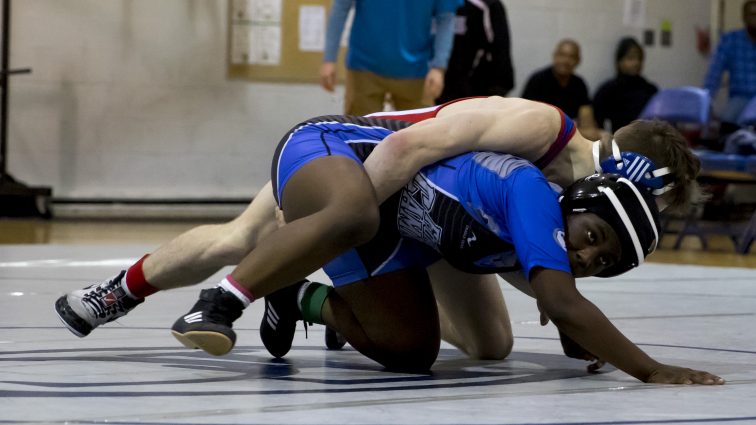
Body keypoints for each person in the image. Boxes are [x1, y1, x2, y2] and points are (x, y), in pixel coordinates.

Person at [55, 97, 702, 363]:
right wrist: (327, 227)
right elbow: (407, 149)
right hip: (361, 154)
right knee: (241, 238)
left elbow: (514, 247)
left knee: (489, 344)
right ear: (639, 177)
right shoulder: (540, 129)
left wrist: (560, 302)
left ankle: (311, 297)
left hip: (428, 212)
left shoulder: (567, 193)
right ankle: (123, 289)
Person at [319, 0, 461, 115]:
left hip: (417, 72)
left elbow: (446, 18)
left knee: (417, 140)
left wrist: (439, 67)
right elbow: (340, 7)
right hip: (364, 68)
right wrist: (329, 59)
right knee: (361, 139)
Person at [436, 0, 515, 103]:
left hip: (474, 93)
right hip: (431, 88)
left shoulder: (487, 6)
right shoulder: (430, 5)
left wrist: (497, 90)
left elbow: (501, 52)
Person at [522, 39, 601, 140]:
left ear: (578, 60)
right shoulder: (538, 80)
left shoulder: (579, 83)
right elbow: (527, 117)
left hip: (571, 134)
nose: (566, 61)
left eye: (571, 57)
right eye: (562, 55)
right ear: (554, 56)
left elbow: (587, 120)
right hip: (542, 134)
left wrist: (590, 130)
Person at [703, 0, 756, 130]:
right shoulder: (730, 40)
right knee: (725, 127)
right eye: (752, 14)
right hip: (739, 99)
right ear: (744, 17)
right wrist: (705, 104)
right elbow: (713, 75)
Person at [593, 37, 658, 133]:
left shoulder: (650, 90)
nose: (636, 63)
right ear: (619, 62)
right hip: (617, 143)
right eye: (630, 58)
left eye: (639, 58)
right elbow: (597, 125)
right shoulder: (607, 90)